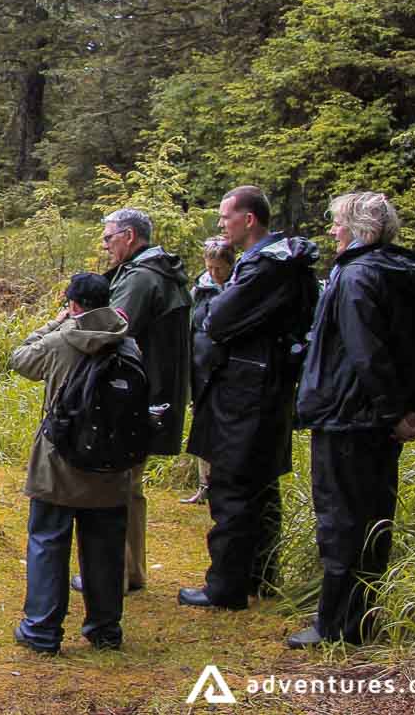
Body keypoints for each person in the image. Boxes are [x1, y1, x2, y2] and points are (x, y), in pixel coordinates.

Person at [287, 193, 415, 648]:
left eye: (337, 223)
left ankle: (336, 626)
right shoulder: (406, 272)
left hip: (349, 416)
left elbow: (366, 352)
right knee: (374, 518)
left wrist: (396, 412)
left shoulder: (355, 275)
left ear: (359, 228)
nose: (333, 231)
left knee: (340, 521)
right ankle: (363, 619)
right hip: (377, 417)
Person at [180, 186, 319, 610]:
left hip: (245, 391)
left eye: (226, 217)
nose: (221, 225)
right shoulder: (282, 264)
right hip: (266, 387)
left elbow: (218, 320)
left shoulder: (266, 268)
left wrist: (210, 295)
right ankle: (260, 576)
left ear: (249, 219)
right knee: (260, 485)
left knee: (234, 485)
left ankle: (226, 587)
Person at [10, 272, 139, 655]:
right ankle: (105, 629)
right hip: (113, 466)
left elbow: (19, 358)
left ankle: (42, 630)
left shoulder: (61, 341)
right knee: (105, 546)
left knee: (48, 541)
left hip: (60, 462)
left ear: (74, 305)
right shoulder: (128, 343)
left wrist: (59, 321)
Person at [74, 208, 189, 595]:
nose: (105, 246)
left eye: (108, 238)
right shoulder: (155, 272)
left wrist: (64, 331)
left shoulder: (141, 278)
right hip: (147, 392)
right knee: (130, 485)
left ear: (128, 236)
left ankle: (114, 574)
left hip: (131, 396)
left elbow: (109, 327)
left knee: (117, 484)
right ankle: (131, 569)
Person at [181, 237, 235, 505]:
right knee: (202, 427)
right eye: (210, 267)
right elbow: (190, 327)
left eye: (219, 268)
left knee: (225, 429)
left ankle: (224, 484)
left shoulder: (240, 285)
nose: (214, 273)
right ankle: (205, 486)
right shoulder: (200, 289)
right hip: (201, 368)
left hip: (227, 371)